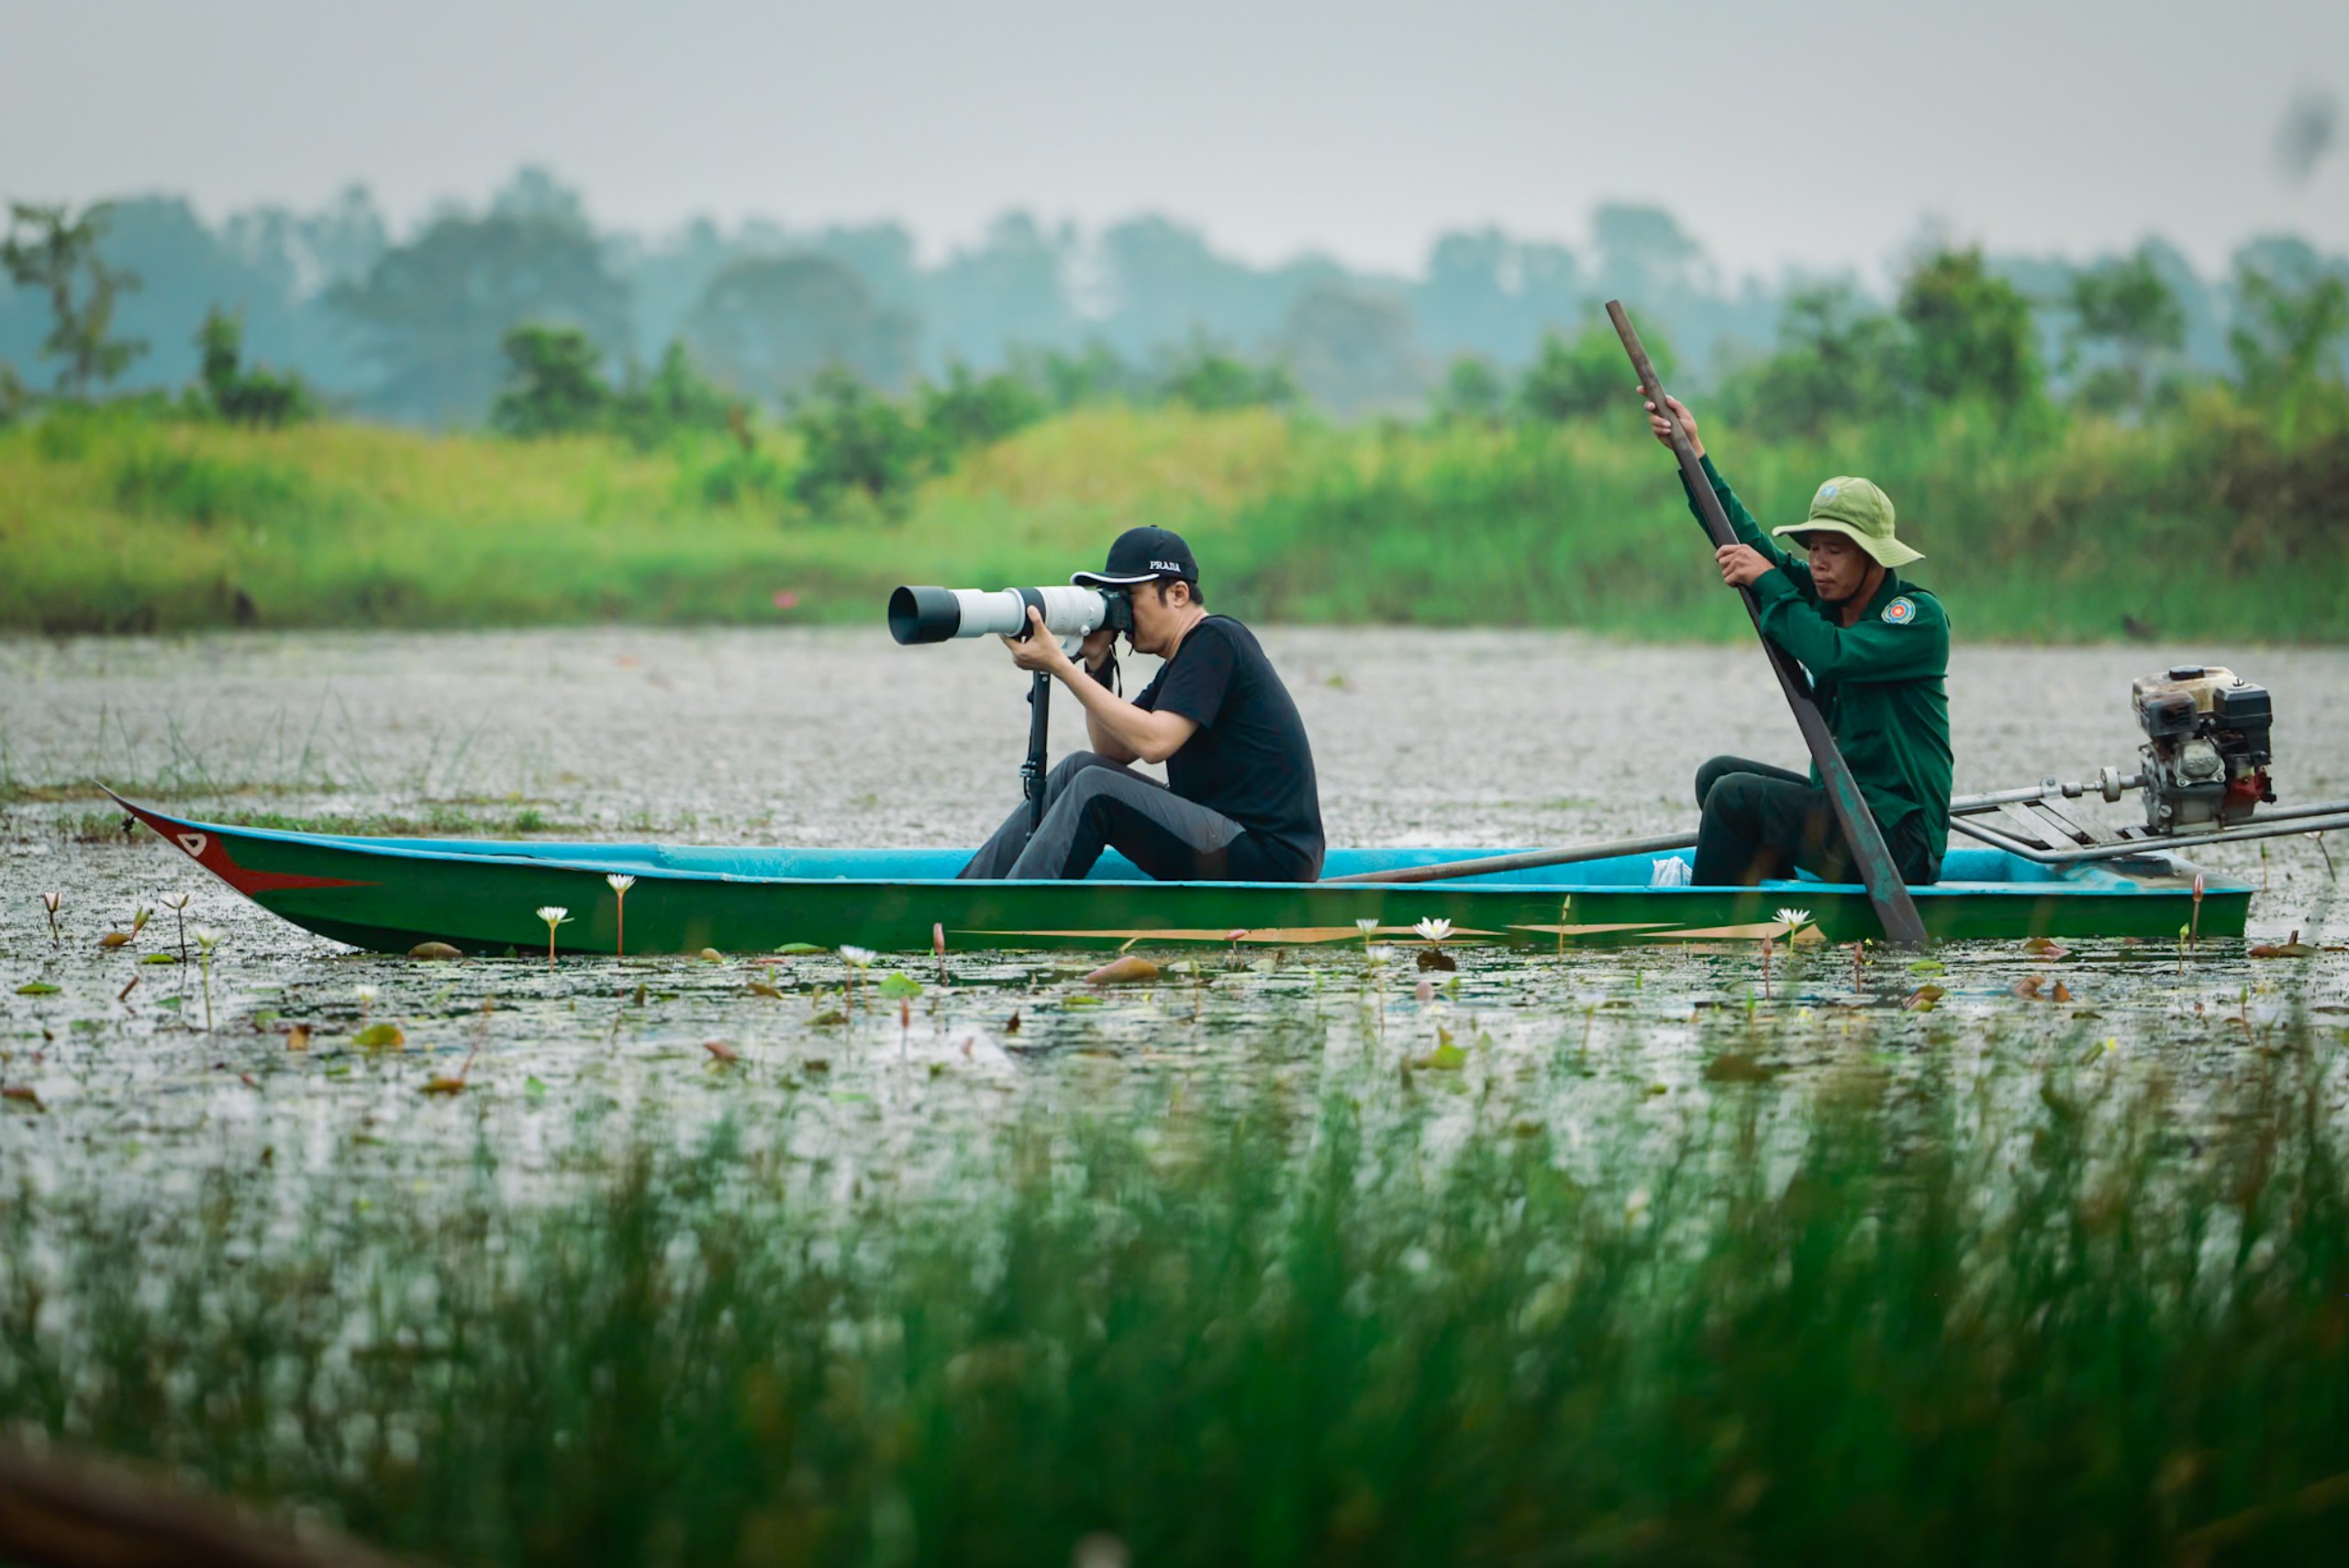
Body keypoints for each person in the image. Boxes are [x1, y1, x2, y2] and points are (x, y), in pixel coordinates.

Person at [1644, 392, 1952, 887]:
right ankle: (1771, 904)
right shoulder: (1825, 597)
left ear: (1874, 558)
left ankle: (1709, 925)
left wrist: (1768, 582)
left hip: (1897, 841)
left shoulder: (1916, 618)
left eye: (1836, 550)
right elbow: (1748, 547)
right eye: (1813, 549)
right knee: (1717, 776)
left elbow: (1831, 655)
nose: (1819, 563)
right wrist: (1693, 454)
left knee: (1734, 798)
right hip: (1848, 811)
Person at [959, 525, 1325, 882]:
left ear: (1178, 594)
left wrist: (1058, 665)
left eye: (1128, 596)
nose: (1121, 613)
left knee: (1093, 786)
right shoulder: (1182, 661)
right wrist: (1097, 664)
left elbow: (1155, 743)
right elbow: (1111, 749)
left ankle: (1010, 911)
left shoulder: (1216, 639)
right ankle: (967, 894)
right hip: (1227, 837)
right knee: (1078, 768)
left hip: (1269, 857)